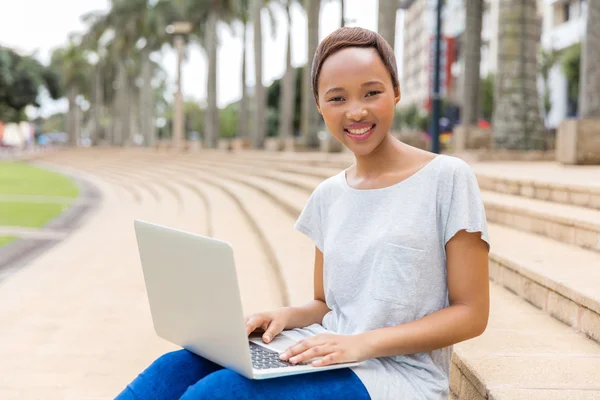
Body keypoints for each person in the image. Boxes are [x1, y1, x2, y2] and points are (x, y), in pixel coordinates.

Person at [116, 27, 490, 400]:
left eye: (372, 92)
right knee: (172, 369)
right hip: (327, 351)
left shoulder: (447, 178)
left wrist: (361, 344)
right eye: (337, 98)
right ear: (320, 107)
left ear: (395, 91)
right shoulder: (329, 195)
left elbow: (471, 313)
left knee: (221, 393)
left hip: (398, 375)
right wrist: (284, 317)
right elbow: (325, 304)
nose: (356, 110)